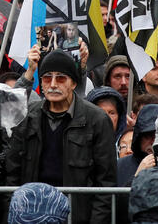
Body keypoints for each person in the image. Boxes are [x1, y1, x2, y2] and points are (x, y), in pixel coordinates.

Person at [6, 50, 116, 223]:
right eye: (47, 78)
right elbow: (12, 173)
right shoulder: (27, 116)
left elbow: (106, 182)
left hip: (77, 215)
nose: (53, 84)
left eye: (61, 78)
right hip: (32, 215)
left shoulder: (97, 119)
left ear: (73, 83)